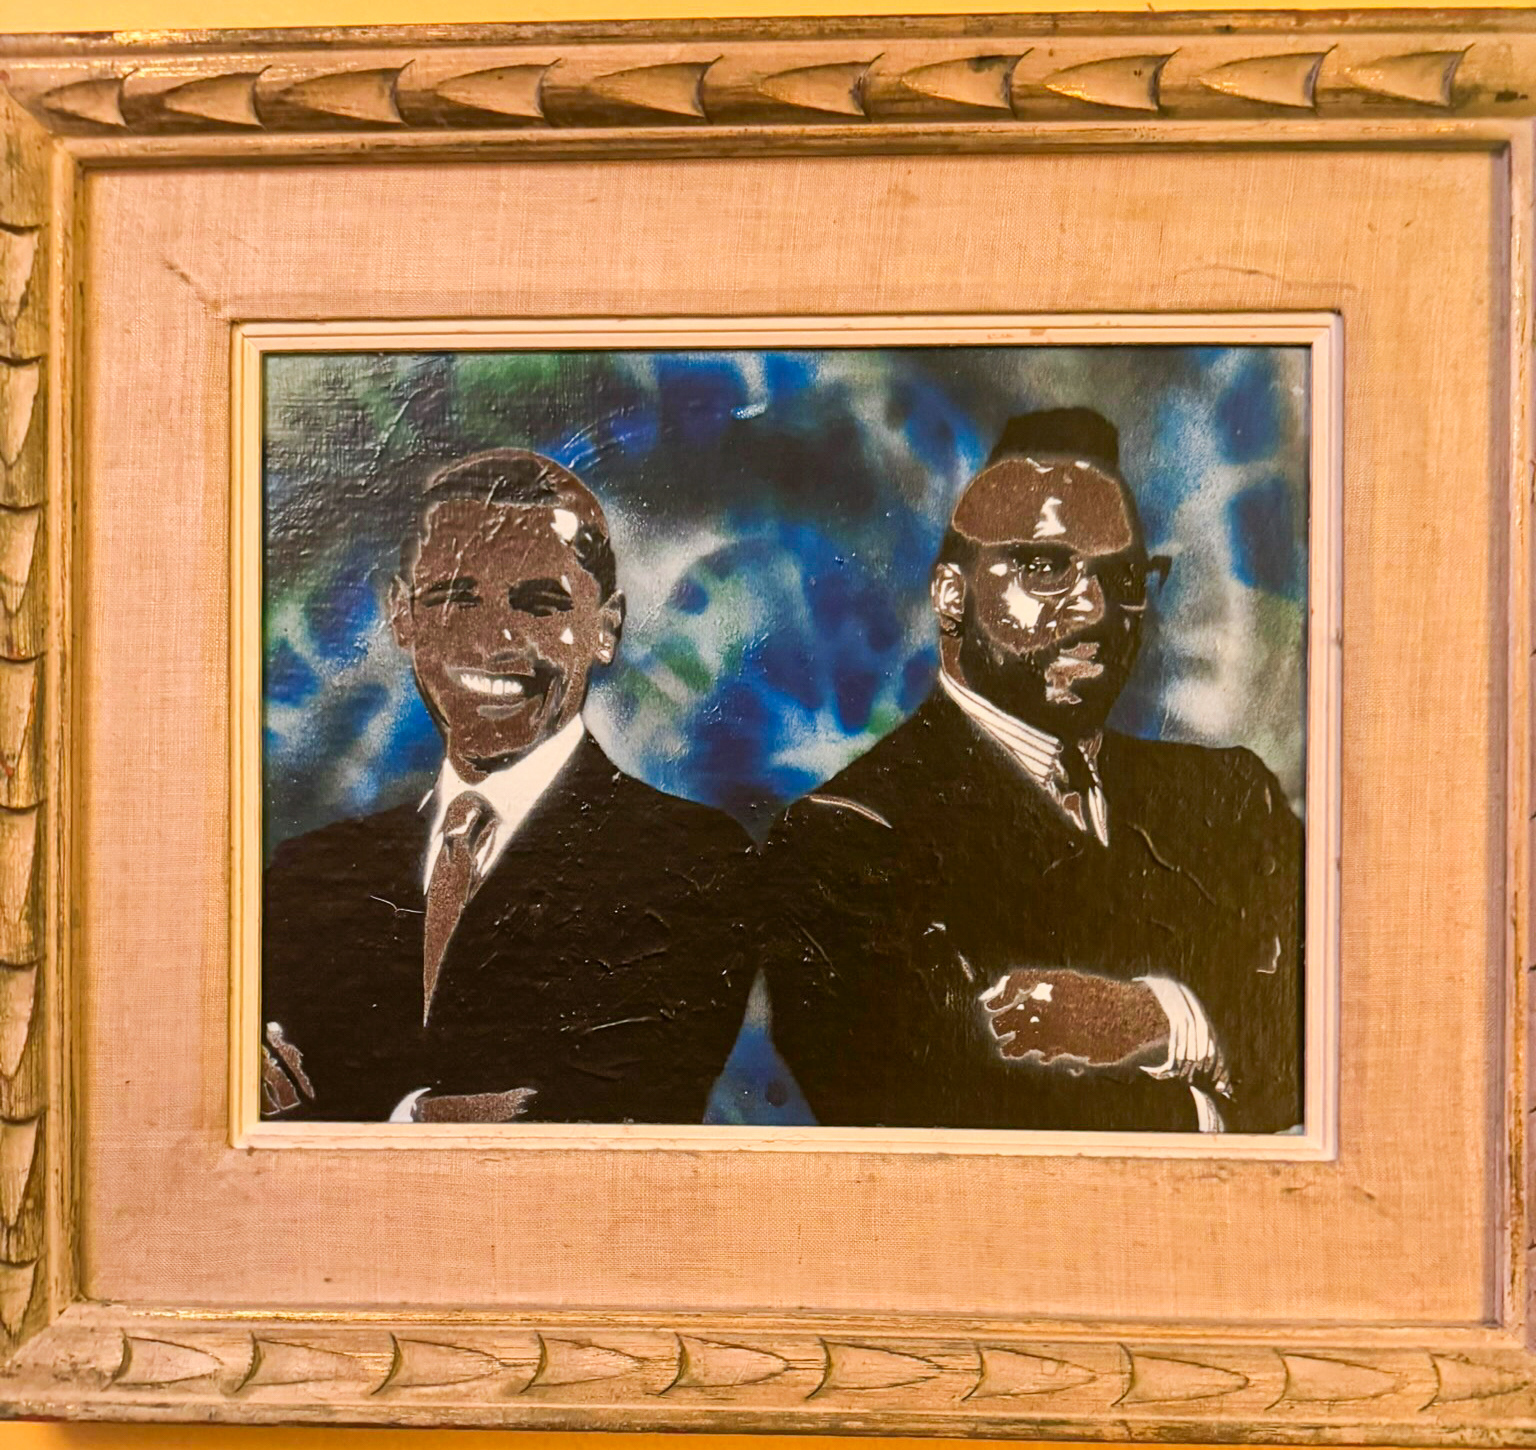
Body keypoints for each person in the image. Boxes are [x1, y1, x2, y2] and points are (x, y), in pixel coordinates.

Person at [759, 408, 1303, 1134]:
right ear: (951, 595)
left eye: (1125, 576)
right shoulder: (844, 840)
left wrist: (1152, 1018)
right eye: (1046, 568)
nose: (1097, 607)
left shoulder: (1231, 797)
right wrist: (1218, 1101)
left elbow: (1338, 1036)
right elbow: (938, 1117)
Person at [261, 448, 753, 1124]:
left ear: (605, 628)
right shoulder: (307, 875)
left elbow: (605, 1114)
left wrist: (352, 1110)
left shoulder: (692, 862)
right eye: (453, 598)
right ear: (402, 615)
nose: (494, 640)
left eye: (541, 605)